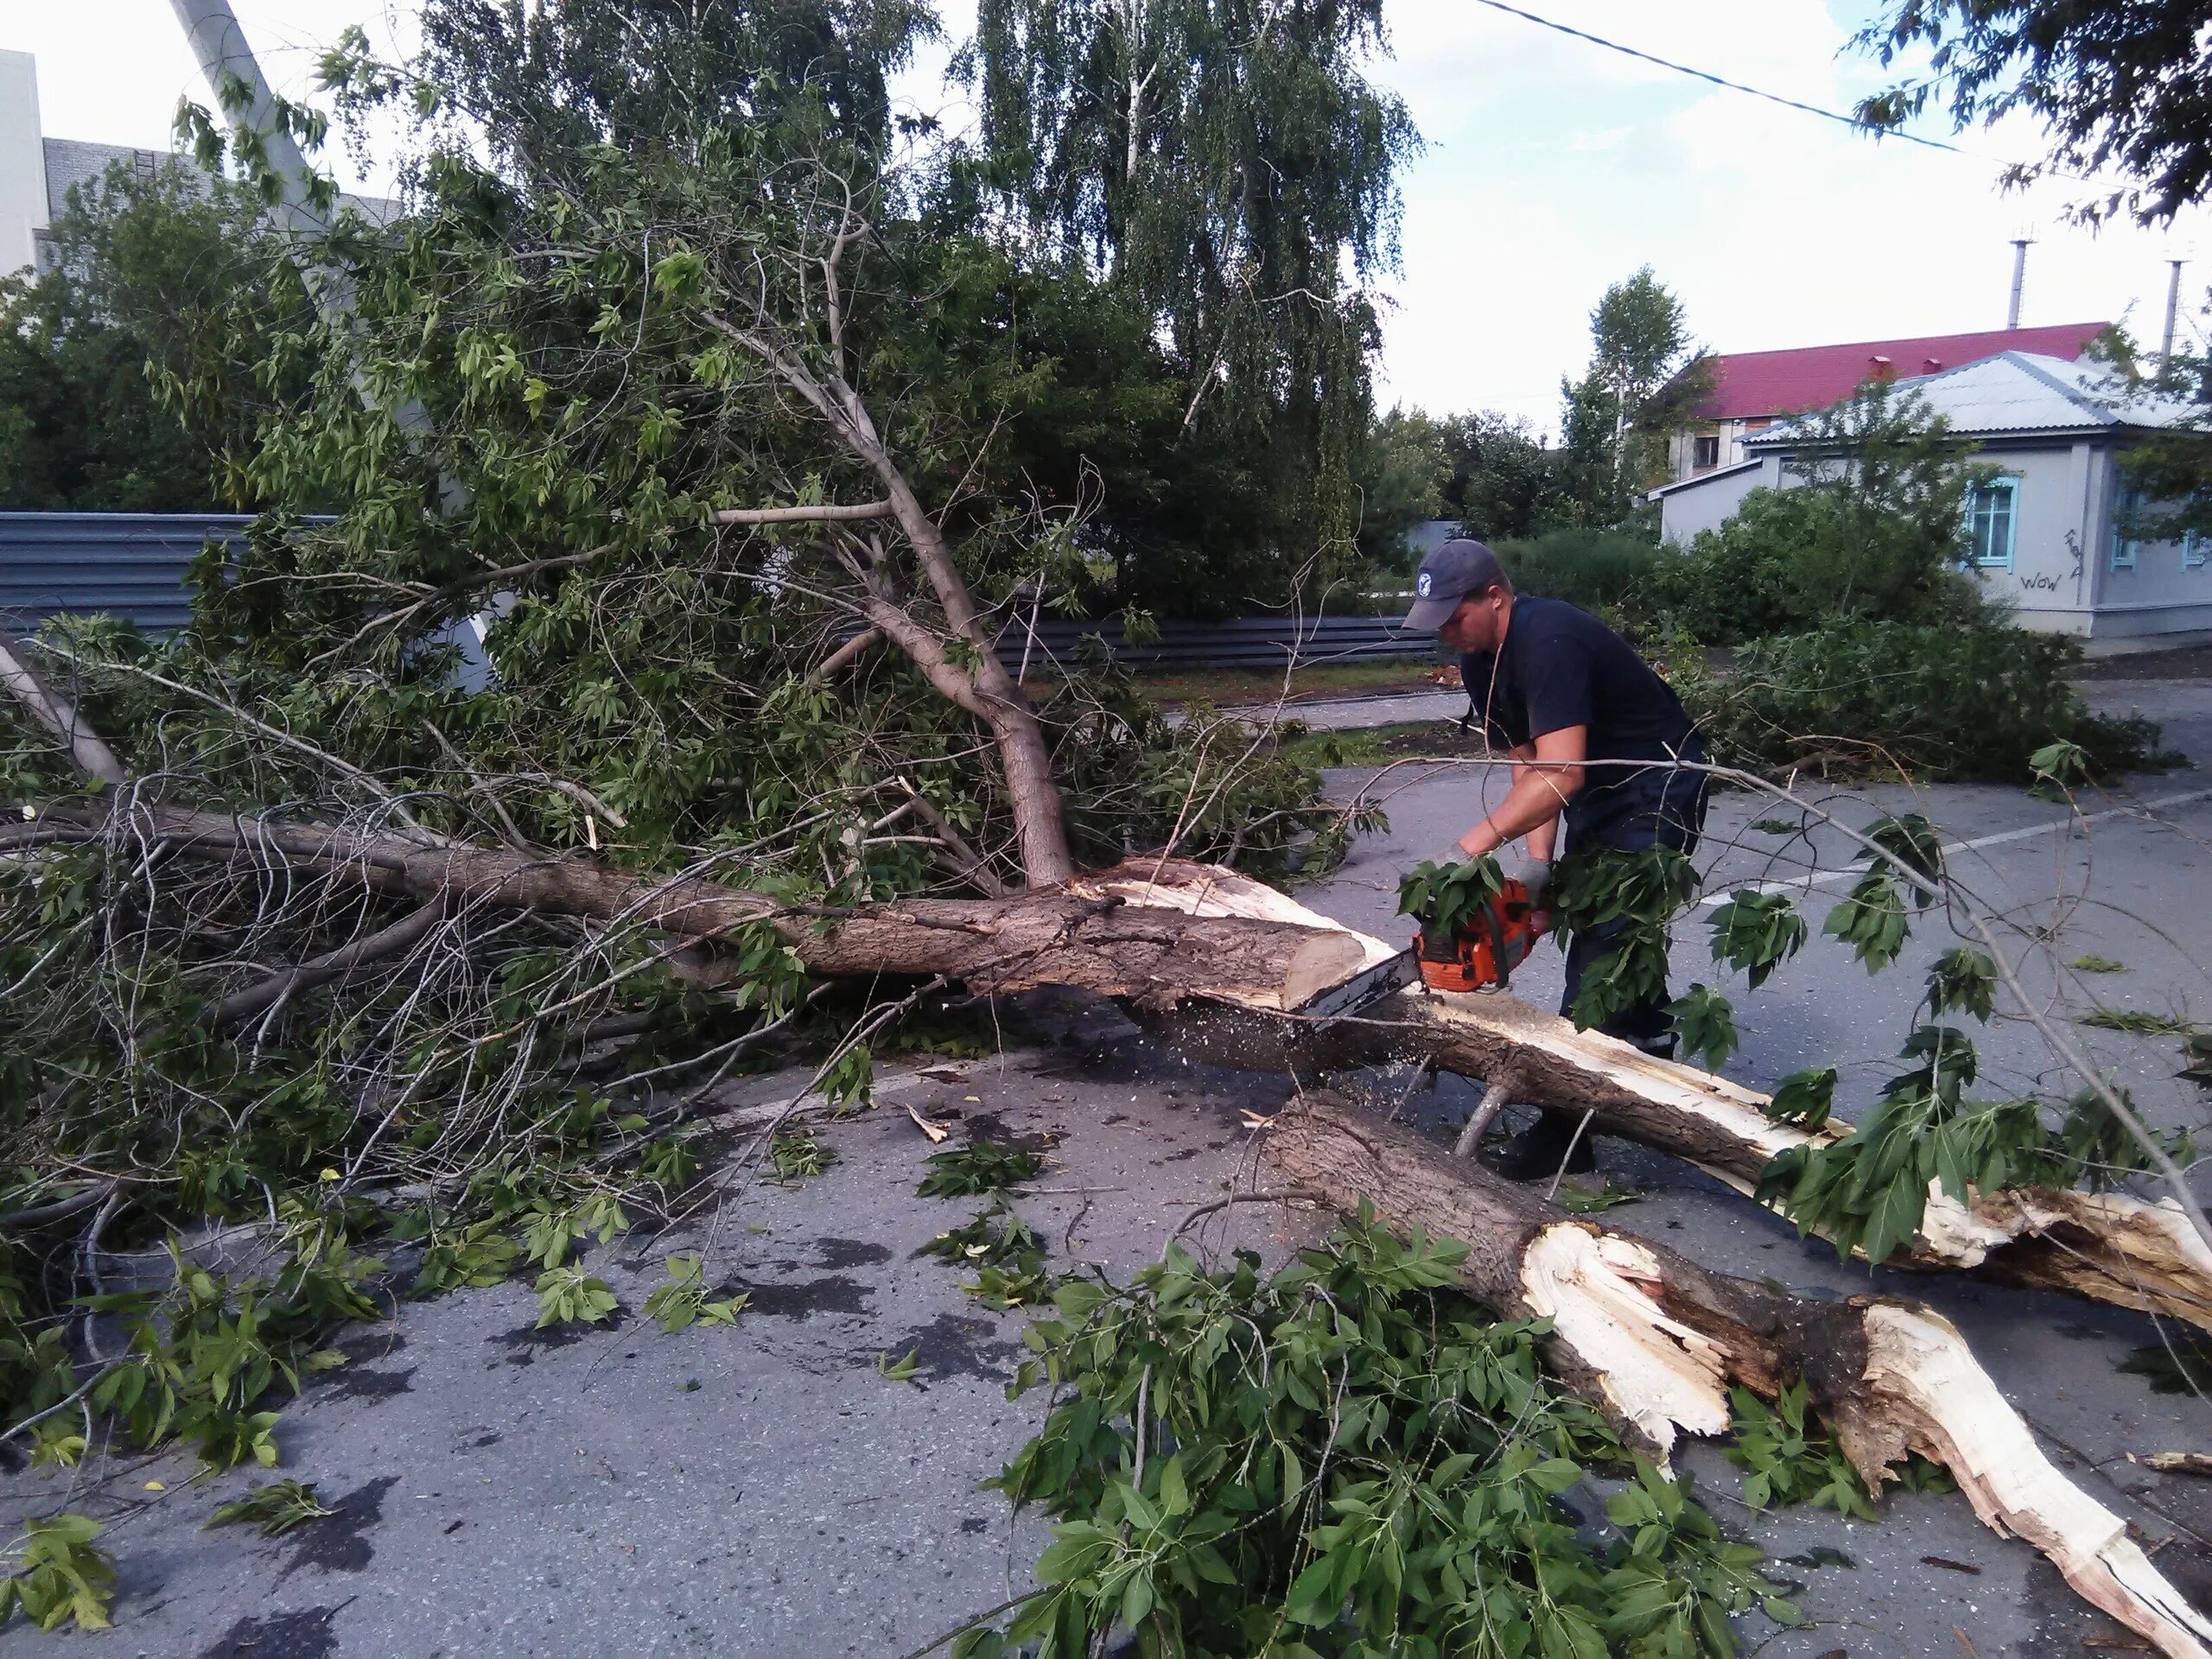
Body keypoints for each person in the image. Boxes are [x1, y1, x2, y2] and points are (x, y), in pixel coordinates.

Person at [1401, 538, 1707, 1179]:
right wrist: (1536, 867)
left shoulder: (1551, 639)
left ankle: (1567, 1130)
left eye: (1456, 618)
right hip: (1597, 790)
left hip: (1658, 781)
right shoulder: (1481, 660)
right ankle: (1650, 1043)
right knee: (1613, 929)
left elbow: (1562, 773)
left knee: (1605, 934)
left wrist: (1466, 850)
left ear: (1495, 595)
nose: (1448, 634)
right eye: (1440, 624)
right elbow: (1529, 765)